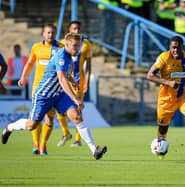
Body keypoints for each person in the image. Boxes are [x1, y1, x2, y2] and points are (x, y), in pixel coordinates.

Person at [2, 33, 107, 160]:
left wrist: (73, 82)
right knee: (31, 126)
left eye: (78, 46)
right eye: (74, 46)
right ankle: (9, 127)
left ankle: (94, 150)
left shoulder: (70, 57)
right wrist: (75, 98)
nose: (77, 49)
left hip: (59, 95)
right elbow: (62, 80)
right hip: (44, 95)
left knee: (77, 116)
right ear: (67, 45)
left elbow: (67, 75)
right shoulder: (61, 56)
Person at [17, 23, 68, 155]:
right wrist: (23, 77)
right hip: (38, 88)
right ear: (43, 34)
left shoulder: (61, 48)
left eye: (53, 33)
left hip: (53, 89)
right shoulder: (36, 47)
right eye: (48, 33)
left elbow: (66, 66)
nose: (50, 35)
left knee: (49, 119)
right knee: (36, 118)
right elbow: (29, 63)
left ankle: (43, 144)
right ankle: (35, 144)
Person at [56, 20, 92, 147]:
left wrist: (86, 82)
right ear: (69, 30)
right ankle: (66, 133)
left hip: (78, 81)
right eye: (74, 29)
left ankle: (77, 139)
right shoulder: (61, 44)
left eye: (78, 29)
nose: (77, 31)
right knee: (59, 111)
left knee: (77, 110)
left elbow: (88, 66)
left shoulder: (86, 45)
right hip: (64, 80)